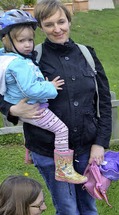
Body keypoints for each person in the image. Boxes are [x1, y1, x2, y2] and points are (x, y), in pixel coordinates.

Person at [9, 0, 119, 215]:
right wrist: (11, 110)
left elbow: (104, 102)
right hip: (48, 149)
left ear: (69, 21)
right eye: (49, 24)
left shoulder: (87, 54)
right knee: (67, 210)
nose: (57, 29)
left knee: (88, 206)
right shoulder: (31, 57)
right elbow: (7, 91)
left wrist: (100, 143)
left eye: (61, 22)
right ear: (41, 28)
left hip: (86, 146)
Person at [0, 9, 85, 184]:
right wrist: (51, 87)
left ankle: (30, 150)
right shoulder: (19, 64)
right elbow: (31, 89)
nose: (27, 45)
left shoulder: (9, 58)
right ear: (7, 40)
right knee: (61, 130)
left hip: (28, 109)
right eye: (21, 41)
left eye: (30, 40)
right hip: (34, 107)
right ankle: (64, 168)